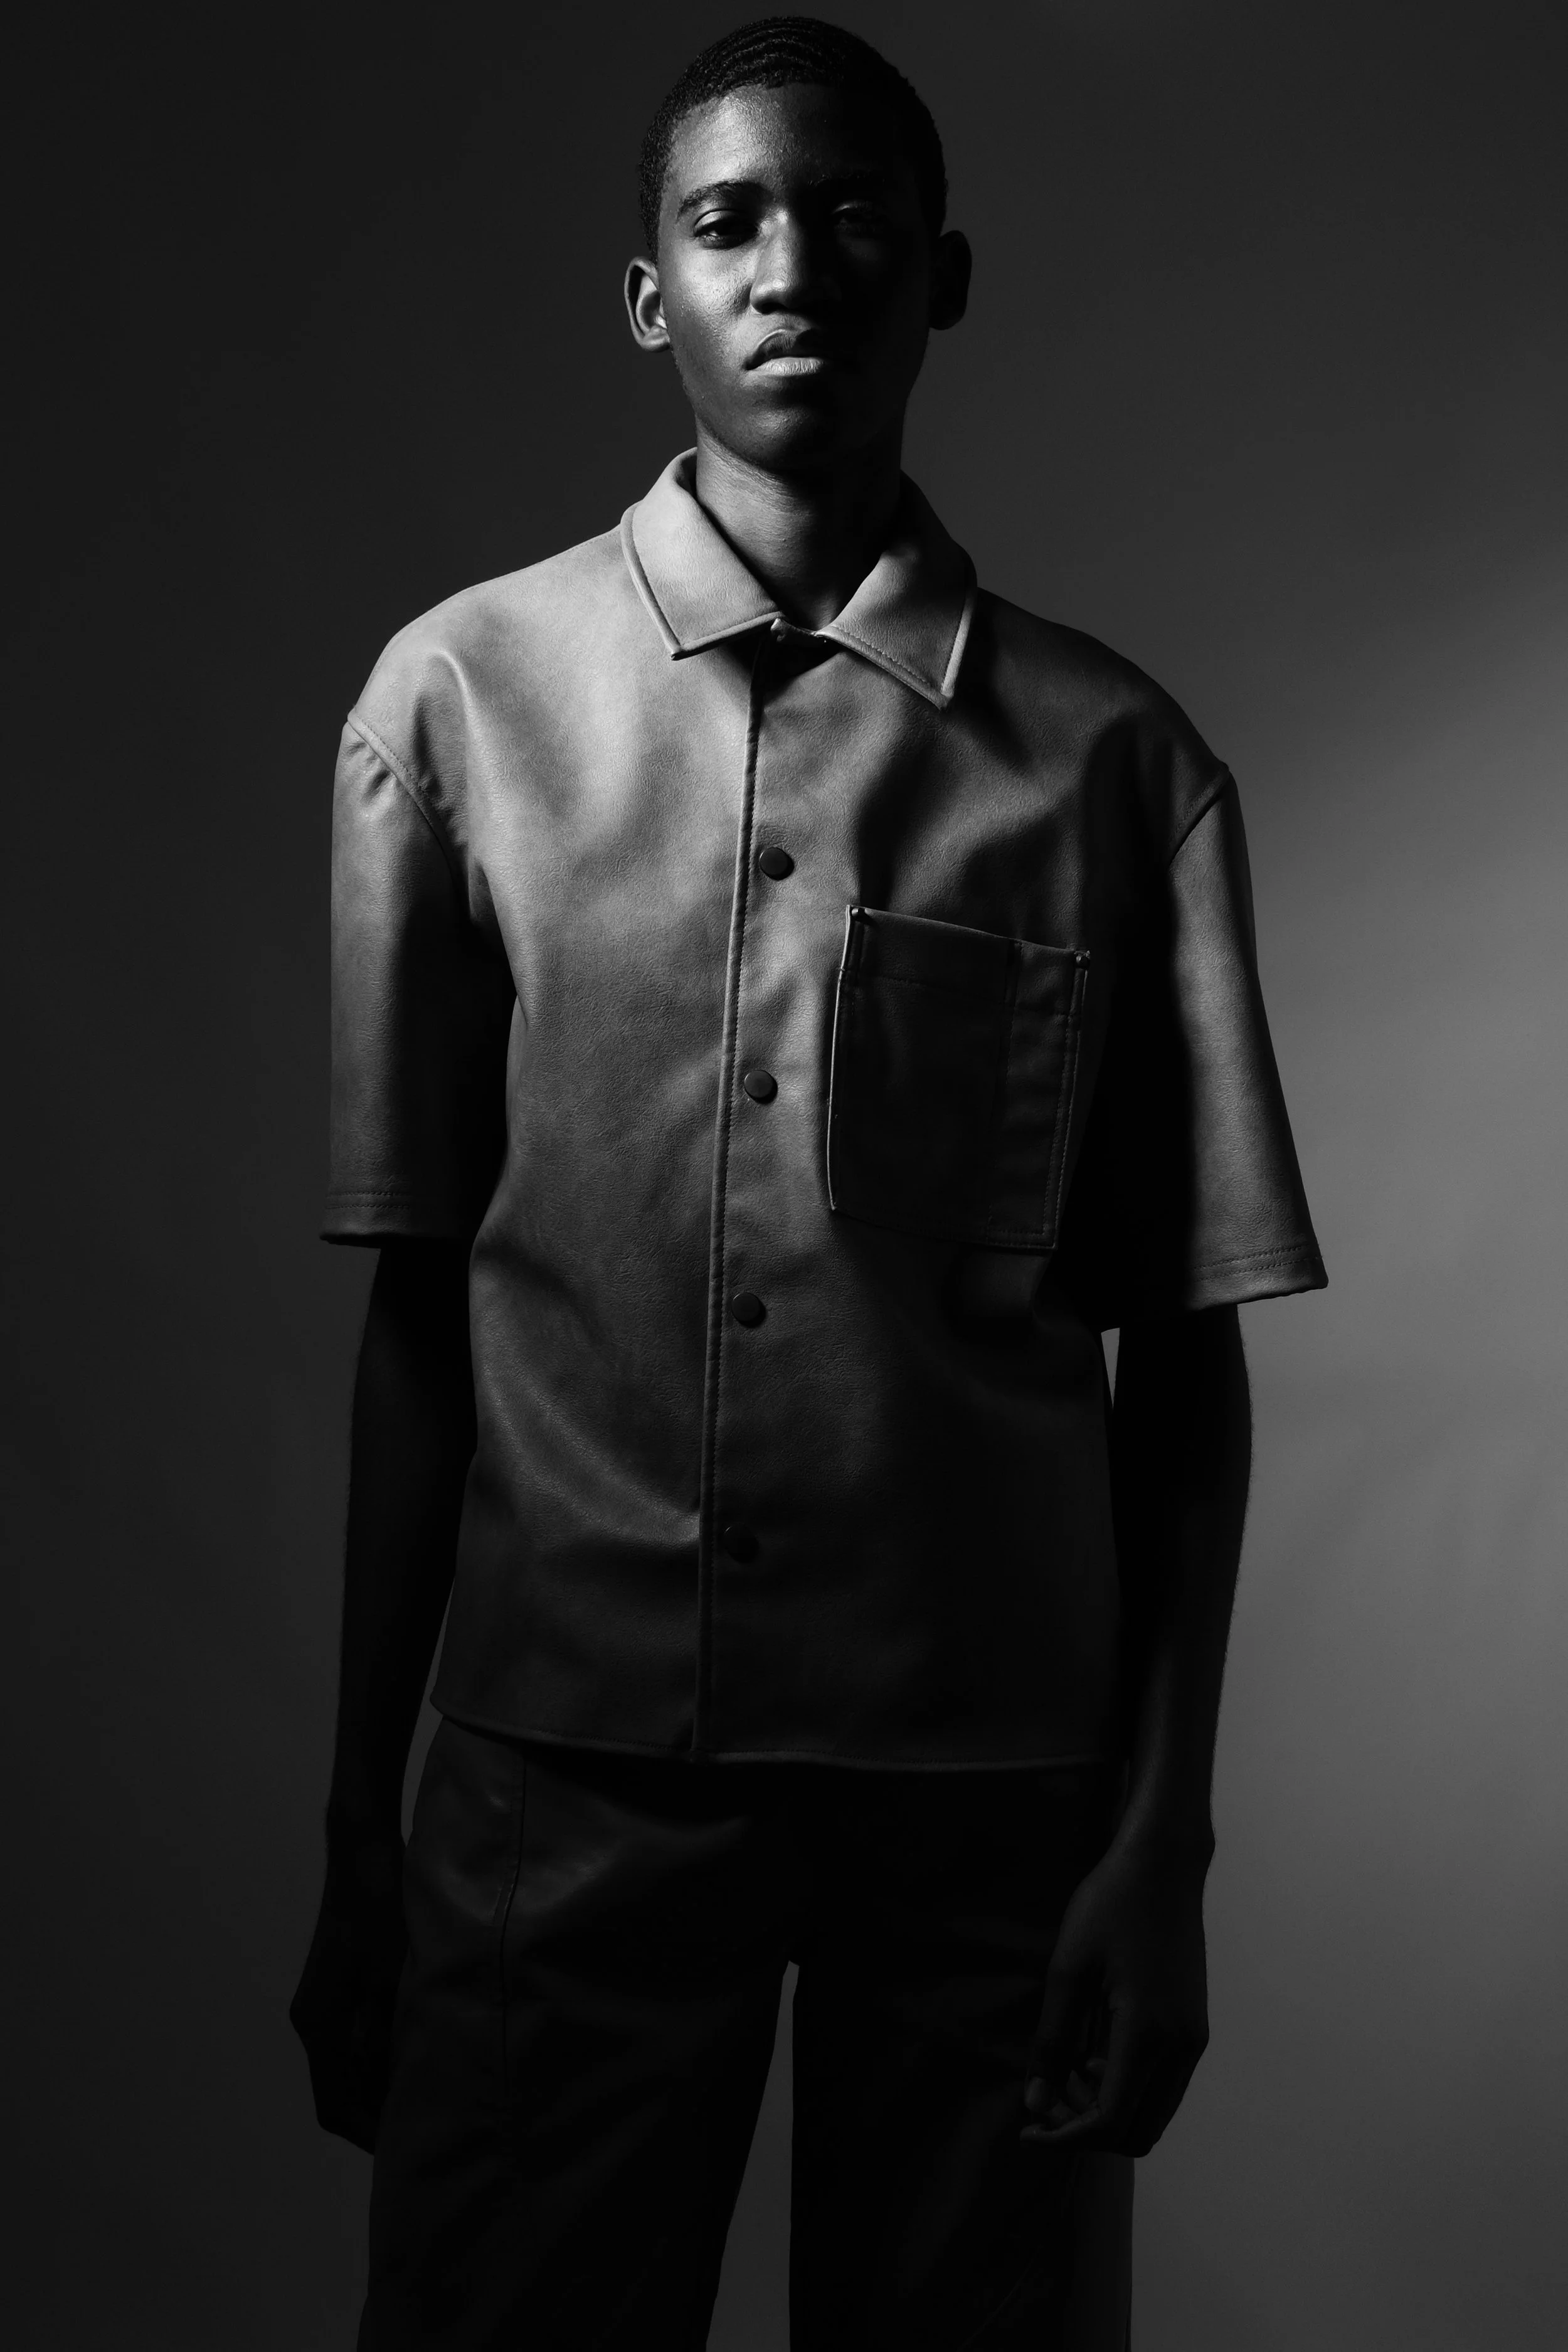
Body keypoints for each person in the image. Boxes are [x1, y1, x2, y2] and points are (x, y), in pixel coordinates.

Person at [290, 17, 1326, 2348]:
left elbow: (1181, 1359)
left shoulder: (1112, 764)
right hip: (556, 1781)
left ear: (940, 275)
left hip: (989, 1801)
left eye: (853, 215)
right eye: (727, 219)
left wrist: (1160, 1843)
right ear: (644, 290)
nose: (792, 267)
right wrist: (361, 1823)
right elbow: (414, 1305)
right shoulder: (453, 706)